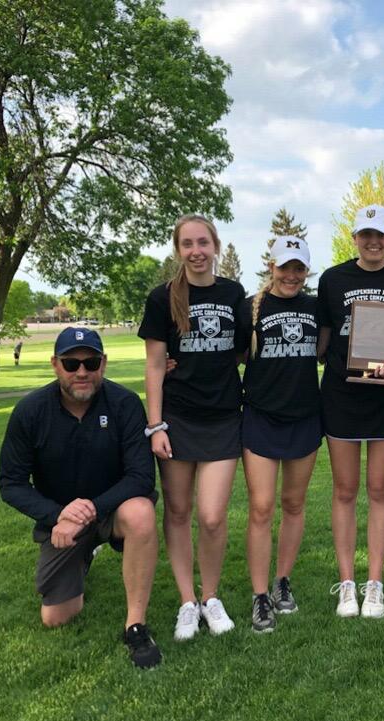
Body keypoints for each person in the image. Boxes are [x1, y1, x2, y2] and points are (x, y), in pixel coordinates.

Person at [0, 327, 161, 668]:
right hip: (62, 521)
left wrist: (90, 511)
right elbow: (10, 482)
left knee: (142, 512)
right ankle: (82, 558)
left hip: (112, 511)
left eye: (91, 362)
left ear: (103, 363)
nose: (82, 372)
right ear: (55, 365)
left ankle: (135, 625)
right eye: (72, 363)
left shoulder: (125, 403)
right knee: (56, 617)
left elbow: (141, 476)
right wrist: (59, 515)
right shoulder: (30, 411)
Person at [139, 213, 245, 641]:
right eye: (187, 244)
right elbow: (152, 364)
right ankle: (187, 601)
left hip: (222, 418)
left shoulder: (234, 293)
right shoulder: (161, 298)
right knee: (178, 512)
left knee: (213, 516)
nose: (196, 251)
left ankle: (211, 596)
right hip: (177, 420)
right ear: (178, 250)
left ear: (216, 245)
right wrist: (156, 425)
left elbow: (240, 352)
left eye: (203, 242)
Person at [317, 204, 384, 618]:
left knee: (379, 490)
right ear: (354, 238)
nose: (373, 241)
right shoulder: (332, 279)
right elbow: (323, 337)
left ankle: (374, 584)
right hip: (342, 396)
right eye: (365, 234)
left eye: (380, 234)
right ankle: (347, 584)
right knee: (345, 491)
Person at [238, 236, 321, 633]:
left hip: (305, 416)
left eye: (298, 268)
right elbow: (225, 355)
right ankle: (259, 596)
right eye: (284, 267)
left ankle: (282, 581)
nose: (291, 275)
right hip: (261, 417)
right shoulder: (250, 308)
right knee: (261, 507)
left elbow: (328, 351)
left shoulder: (314, 306)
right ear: (271, 267)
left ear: (306, 271)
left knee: (294, 503)